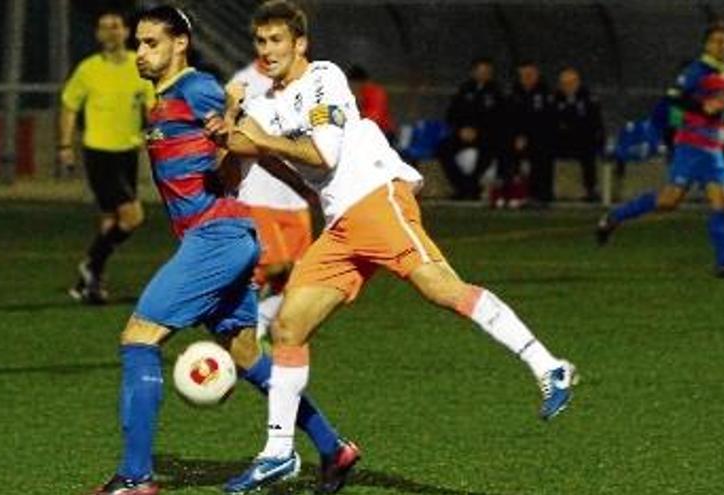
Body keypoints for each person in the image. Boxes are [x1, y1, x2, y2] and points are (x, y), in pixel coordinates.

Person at [215, 2, 578, 492]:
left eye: (277, 40)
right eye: (260, 42)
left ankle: (549, 366)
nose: (267, 51)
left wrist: (259, 137)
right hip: (341, 222)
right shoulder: (264, 103)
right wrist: (230, 114)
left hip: (375, 197)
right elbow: (240, 142)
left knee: (442, 290)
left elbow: (324, 152)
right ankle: (279, 452)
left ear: (300, 44)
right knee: (287, 327)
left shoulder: (324, 78)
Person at [91, 7, 356, 495]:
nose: (141, 53)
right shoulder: (160, 101)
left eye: (152, 43)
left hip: (216, 237)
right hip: (225, 237)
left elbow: (245, 139)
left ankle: (135, 478)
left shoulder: (197, 89)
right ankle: (333, 447)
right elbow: (236, 151)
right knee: (249, 356)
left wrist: (306, 183)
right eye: (139, 43)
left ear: (180, 45)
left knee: (138, 339)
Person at [596, 23, 724, 279]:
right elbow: (673, 97)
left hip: (712, 147)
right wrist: (702, 109)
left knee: (722, 201)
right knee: (668, 202)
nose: (723, 46)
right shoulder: (697, 70)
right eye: (717, 41)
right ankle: (614, 217)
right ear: (707, 45)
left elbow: (716, 107)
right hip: (690, 146)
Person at [60, 10, 155, 304]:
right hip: (99, 153)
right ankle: (90, 264)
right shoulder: (88, 69)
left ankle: (88, 283)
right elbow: (69, 106)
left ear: (127, 32)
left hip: (127, 152)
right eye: (104, 27)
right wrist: (64, 146)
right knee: (133, 216)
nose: (110, 32)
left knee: (110, 220)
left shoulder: (139, 67)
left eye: (115, 27)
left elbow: (152, 110)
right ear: (98, 35)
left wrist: (158, 139)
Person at [229, 59, 316, 340]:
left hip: (297, 197)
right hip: (260, 191)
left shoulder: (314, 81)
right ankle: (238, 326)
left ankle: (261, 320)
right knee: (269, 266)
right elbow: (233, 133)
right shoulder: (244, 82)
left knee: (300, 275)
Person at [438, 57, 510, 200]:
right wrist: (461, 129)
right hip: (463, 133)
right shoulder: (464, 90)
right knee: (443, 148)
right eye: (480, 71)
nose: (483, 74)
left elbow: (500, 119)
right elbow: (451, 114)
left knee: (489, 150)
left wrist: (478, 131)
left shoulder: (497, 93)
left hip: (486, 135)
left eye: (487, 72)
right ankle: (463, 185)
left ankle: (471, 186)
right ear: (473, 72)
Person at [551, 66, 604, 202]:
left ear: (578, 82)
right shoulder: (554, 99)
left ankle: (590, 189)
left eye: (571, 83)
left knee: (588, 153)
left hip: (582, 141)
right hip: (560, 140)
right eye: (564, 84)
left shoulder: (588, 99)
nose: (567, 86)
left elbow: (595, 123)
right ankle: (545, 190)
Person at [508, 60, 556, 205]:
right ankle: (512, 192)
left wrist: (527, 136)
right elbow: (509, 118)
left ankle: (541, 195)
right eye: (524, 75)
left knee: (542, 153)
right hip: (517, 138)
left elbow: (546, 120)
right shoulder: (514, 94)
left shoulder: (546, 93)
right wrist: (517, 136)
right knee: (506, 151)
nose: (527, 78)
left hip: (540, 138)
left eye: (530, 74)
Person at [346, 64, 397, 143]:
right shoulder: (353, 93)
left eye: (351, 83)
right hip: (364, 132)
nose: (349, 86)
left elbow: (375, 118)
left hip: (383, 133)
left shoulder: (376, 93)